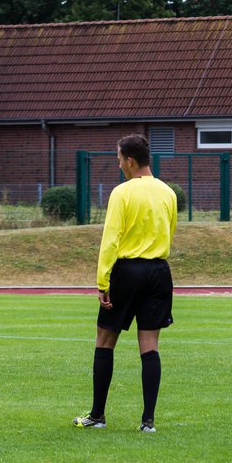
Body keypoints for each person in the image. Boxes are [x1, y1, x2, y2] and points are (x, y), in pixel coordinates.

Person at [73, 134, 177, 431]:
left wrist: (102, 281)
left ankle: (97, 416)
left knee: (105, 340)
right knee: (150, 346)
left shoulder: (122, 193)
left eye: (119, 159)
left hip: (127, 271)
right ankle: (148, 422)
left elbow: (111, 240)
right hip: (159, 271)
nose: (119, 165)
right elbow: (170, 233)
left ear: (130, 161)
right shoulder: (168, 192)